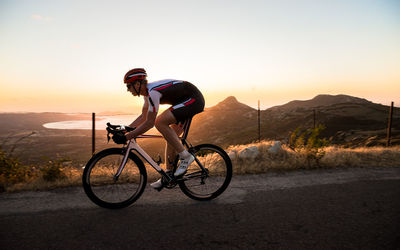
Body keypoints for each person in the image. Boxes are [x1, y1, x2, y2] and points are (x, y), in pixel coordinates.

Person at [117, 68, 205, 189]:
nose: (128, 90)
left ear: (137, 84)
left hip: (193, 99)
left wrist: (128, 137)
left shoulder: (153, 92)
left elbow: (149, 123)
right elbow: (144, 117)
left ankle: (186, 156)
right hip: (184, 101)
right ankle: (168, 176)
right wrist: (125, 130)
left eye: (129, 86)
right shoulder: (147, 95)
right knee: (171, 137)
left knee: (160, 122)